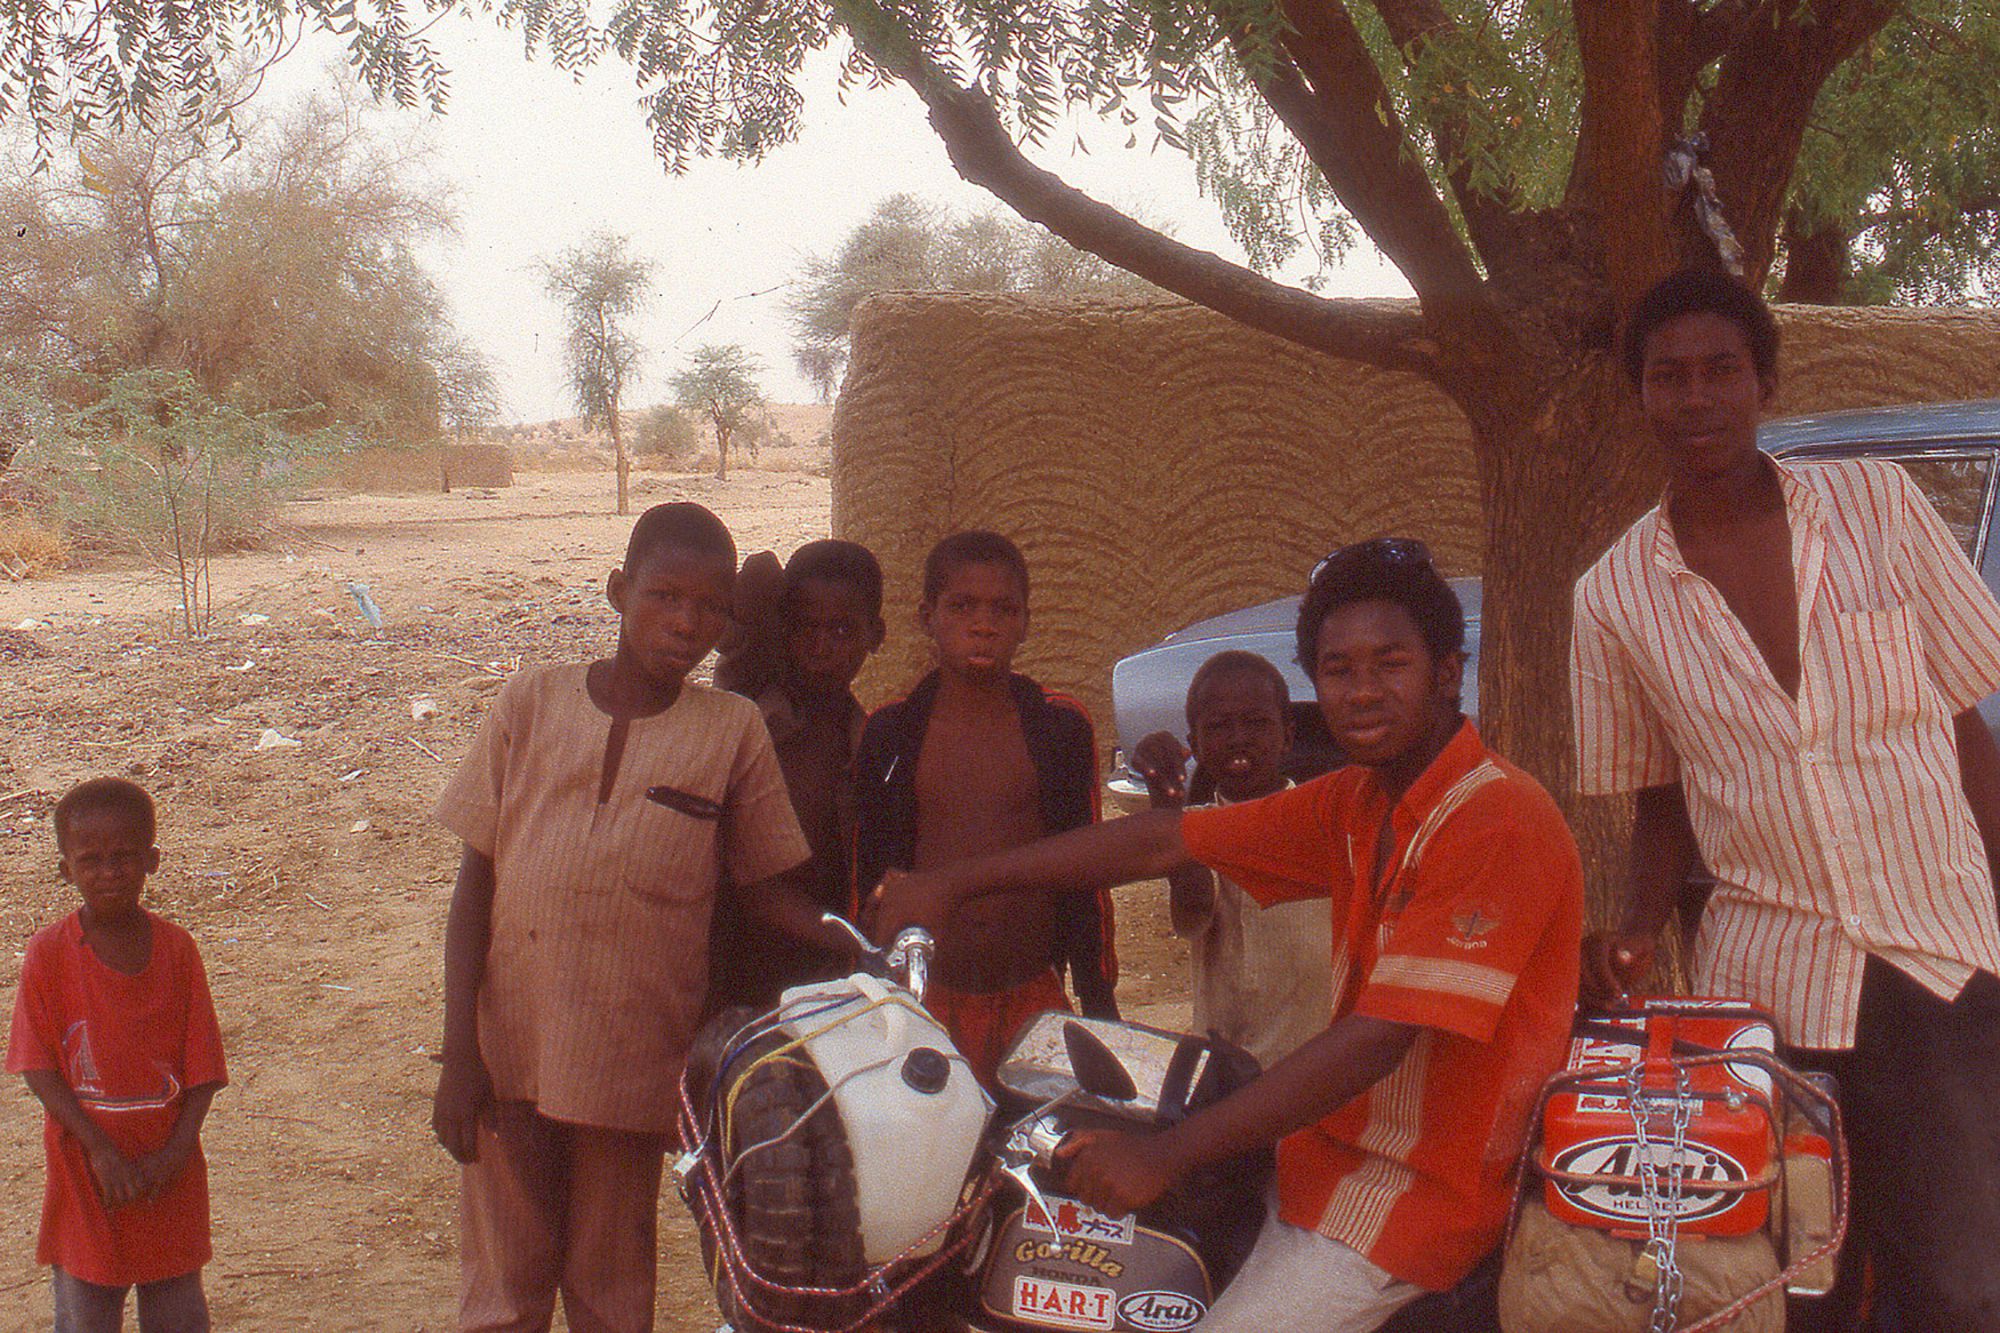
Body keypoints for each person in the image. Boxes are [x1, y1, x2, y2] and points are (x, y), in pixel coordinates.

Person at [876, 539, 1583, 1332]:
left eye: (1390, 664)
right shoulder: (1358, 801)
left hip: (1413, 1201)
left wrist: (1165, 1154)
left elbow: (1378, 1038)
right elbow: (1164, 839)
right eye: (1339, 670)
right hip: (1321, 1156)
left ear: (1447, 671)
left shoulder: (1494, 816)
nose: (1362, 692)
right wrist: (948, 882)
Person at [1570, 268, 2000, 1332]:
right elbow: (1658, 793)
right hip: (1766, 986)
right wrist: (1633, 923)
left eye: (1720, 369)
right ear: (1640, 398)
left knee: (1956, 1281)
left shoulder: (1877, 508)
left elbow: (1960, 723)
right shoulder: (1610, 595)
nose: (1695, 397)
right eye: (1667, 377)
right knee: (1783, 1286)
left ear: (1762, 380)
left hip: (1935, 952)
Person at [429, 501, 850, 1333]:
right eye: (665, 596)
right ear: (620, 590)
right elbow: (475, 883)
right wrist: (458, 1053)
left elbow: (763, 887)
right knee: (502, 1288)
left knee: (611, 1287)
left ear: (730, 618)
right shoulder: (531, 703)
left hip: (630, 1053)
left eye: (710, 606)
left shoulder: (730, 731)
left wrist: (857, 940)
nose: (685, 622)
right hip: (508, 1044)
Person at [852, 529, 1117, 1087]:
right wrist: (873, 986)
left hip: (1032, 993)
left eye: (1003, 609)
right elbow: (870, 872)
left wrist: (1097, 1001)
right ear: (928, 617)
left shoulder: (1059, 727)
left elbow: (1088, 871)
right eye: (962, 606)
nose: (983, 623)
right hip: (924, 1000)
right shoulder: (894, 732)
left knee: (1041, 1159)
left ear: (1025, 622)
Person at [7, 777, 227, 1333]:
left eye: (124, 856)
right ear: (66, 869)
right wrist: (101, 1151)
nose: (109, 871)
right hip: (86, 1172)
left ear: (152, 860)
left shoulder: (177, 950)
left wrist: (177, 1150)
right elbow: (37, 1066)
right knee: (86, 1313)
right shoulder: (49, 954)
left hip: (167, 1173)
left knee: (176, 1308)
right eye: (92, 859)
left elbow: (202, 1068)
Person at [709, 538, 887, 1011]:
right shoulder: (748, 713)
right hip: (728, 968)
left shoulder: (869, 743)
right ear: (780, 628)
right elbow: (759, 574)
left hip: (823, 978)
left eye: (843, 631)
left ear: (877, 635)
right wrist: (857, 946)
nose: (820, 647)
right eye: (804, 627)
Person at [1130, 649, 1332, 1066]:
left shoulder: (1323, 824)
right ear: (1195, 746)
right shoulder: (1192, 830)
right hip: (1225, 1072)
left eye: (1257, 723)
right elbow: (1194, 905)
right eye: (1219, 726)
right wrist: (1167, 808)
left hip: (1313, 1066)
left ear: (1288, 735)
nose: (1239, 738)